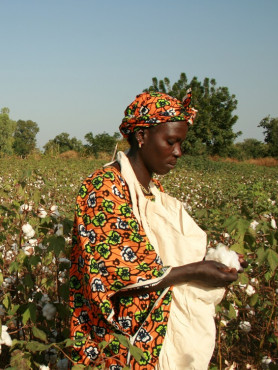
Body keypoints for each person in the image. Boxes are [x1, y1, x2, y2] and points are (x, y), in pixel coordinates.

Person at [68, 90, 245, 369]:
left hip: (153, 340)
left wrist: (217, 263)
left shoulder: (152, 191)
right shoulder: (104, 187)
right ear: (142, 137)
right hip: (119, 343)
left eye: (181, 143)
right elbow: (115, 272)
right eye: (171, 141)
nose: (178, 152)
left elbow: (162, 256)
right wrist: (196, 271)